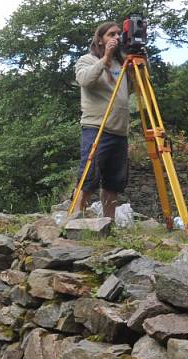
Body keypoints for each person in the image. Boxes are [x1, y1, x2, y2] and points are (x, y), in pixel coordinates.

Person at [74, 21, 130, 220]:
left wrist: (140, 56)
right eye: (111, 34)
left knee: (114, 181)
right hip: (96, 126)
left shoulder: (122, 65)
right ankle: (74, 218)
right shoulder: (86, 60)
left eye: (118, 34)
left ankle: (108, 222)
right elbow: (85, 81)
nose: (116, 37)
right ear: (100, 39)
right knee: (89, 176)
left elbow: (141, 86)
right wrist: (105, 58)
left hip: (119, 130)